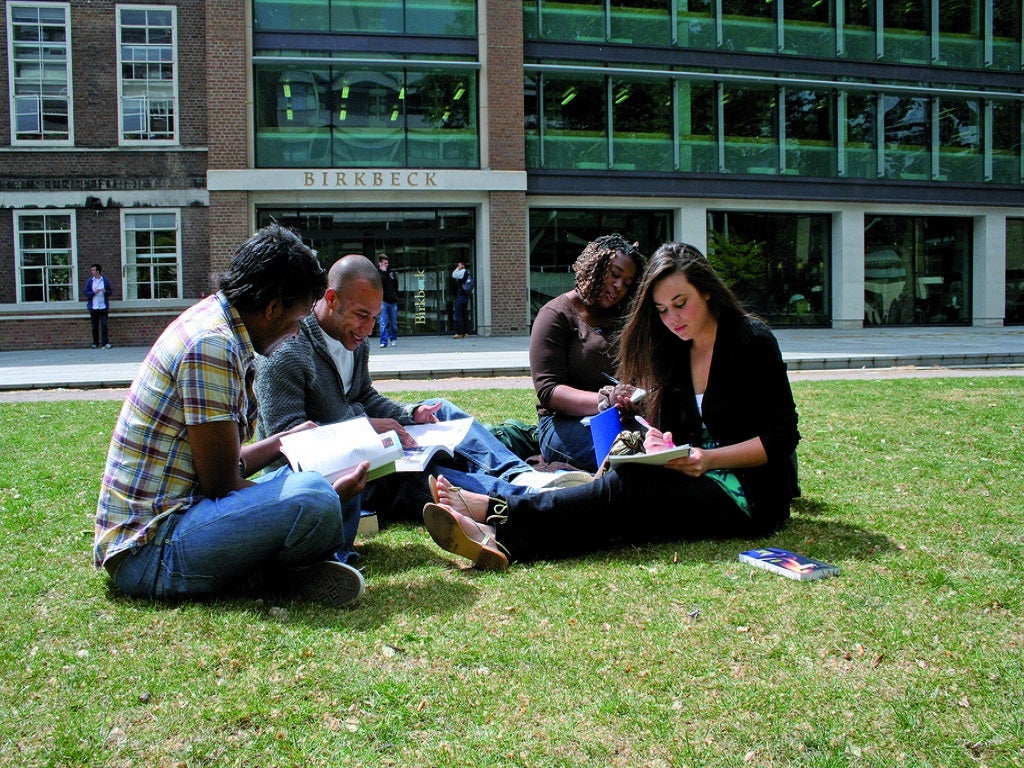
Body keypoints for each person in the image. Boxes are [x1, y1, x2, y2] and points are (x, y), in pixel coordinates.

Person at [422, 242, 801, 569]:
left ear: (706, 292)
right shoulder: (675, 349)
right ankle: (499, 538)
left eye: (680, 304)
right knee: (620, 512)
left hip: (750, 495)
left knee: (627, 494)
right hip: (697, 475)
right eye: (662, 309)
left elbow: (781, 439)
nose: (672, 319)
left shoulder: (751, 340)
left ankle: (494, 513)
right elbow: (680, 430)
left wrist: (708, 459)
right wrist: (660, 441)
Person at [94, 224, 370, 606]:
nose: (296, 334)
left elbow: (220, 465)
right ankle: (296, 570)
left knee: (334, 466)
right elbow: (222, 484)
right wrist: (323, 492)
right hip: (151, 550)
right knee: (315, 493)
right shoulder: (212, 345)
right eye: (295, 322)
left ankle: (305, 566)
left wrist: (283, 442)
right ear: (272, 309)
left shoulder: (220, 328)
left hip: (188, 517)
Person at [254, 254, 579, 530]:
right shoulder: (287, 350)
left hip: (367, 445)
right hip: (336, 477)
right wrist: (364, 430)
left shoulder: (354, 339)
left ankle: (524, 476)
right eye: (361, 316)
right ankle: (516, 497)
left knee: (440, 411)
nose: (368, 330)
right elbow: (289, 444)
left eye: (375, 318)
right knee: (416, 472)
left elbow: (365, 395)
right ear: (331, 299)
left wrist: (410, 416)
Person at [529, 234, 645, 472]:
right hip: (563, 423)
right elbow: (549, 391)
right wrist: (605, 400)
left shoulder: (626, 317)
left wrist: (632, 398)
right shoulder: (555, 314)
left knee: (655, 446)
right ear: (595, 266)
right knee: (624, 454)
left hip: (621, 419)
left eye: (627, 282)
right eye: (614, 274)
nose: (619, 286)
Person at [84, 263, 113, 349]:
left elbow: (110, 292)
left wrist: (105, 291)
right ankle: (95, 343)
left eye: (93, 270)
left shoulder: (105, 280)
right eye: (91, 270)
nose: (92, 271)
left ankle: (105, 342)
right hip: (94, 307)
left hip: (103, 306)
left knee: (104, 325)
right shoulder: (90, 281)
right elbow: (85, 292)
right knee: (94, 326)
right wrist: (93, 293)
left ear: (98, 271)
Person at [377, 253, 399, 348]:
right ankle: (383, 341)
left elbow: (396, 285)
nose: (386, 265)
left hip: (392, 301)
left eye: (387, 263)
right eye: (384, 263)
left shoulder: (392, 273)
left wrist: (395, 295)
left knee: (393, 323)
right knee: (383, 322)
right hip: (383, 301)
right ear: (380, 264)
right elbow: (379, 284)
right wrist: (383, 272)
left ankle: (393, 338)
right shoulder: (378, 273)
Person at [451, 261, 473, 338]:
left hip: (460, 296)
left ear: (462, 266)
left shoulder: (462, 272)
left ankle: (458, 332)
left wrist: (457, 268)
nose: (457, 266)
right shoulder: (467, 273)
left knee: (458, 314)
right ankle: (465, 332)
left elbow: (453, 275)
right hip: (465, 297)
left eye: (459, 265)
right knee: (464, 315)